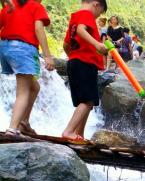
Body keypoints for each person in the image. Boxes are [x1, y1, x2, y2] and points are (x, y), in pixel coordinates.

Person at [0, 0, 56, 136]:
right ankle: (13, 128)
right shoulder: (36, 6)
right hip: (23, 49)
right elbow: (38, 28)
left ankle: (24, 122)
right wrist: (47, 56)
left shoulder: (8, 7)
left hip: (5, 48)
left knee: (34, 87)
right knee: (23, 92)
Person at [61, 0, 108, 143]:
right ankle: (69, 131)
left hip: (74, 62)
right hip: (85, 63)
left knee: (86, 101)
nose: (96, 17)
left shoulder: (74, 19)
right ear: (96, 4)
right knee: (88, 101)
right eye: (99, 13)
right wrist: (97, 44)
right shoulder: (86, 15)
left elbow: (66, 44)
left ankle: (79, 134)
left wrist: (73, 57)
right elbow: (82, 30)